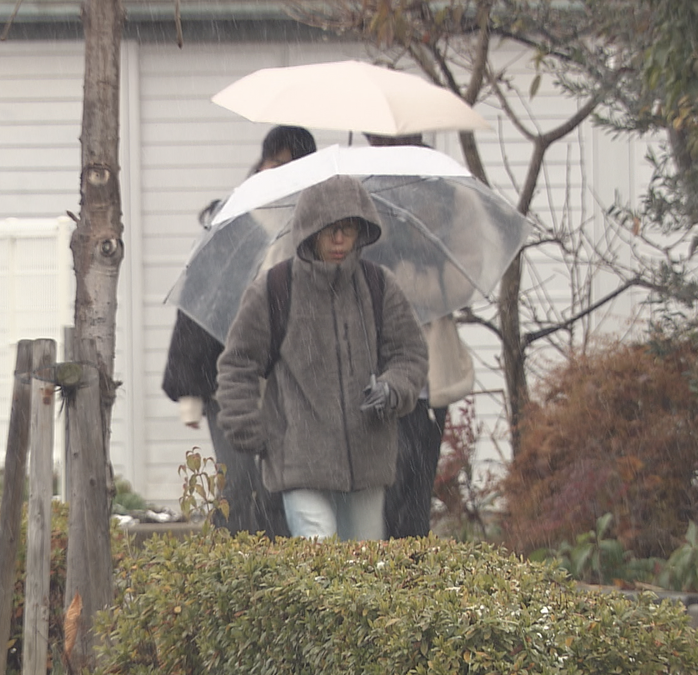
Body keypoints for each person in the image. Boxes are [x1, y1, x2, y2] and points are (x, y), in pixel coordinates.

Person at [214, 175, 428, 541]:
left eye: (348, 229)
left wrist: (393, 388)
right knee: (318, 557)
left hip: (368, 457)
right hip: (298, 459)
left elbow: (410, 353)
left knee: (363, 569)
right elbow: (238, 363)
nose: (340, 240)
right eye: (330, 230)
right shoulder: (274, 289)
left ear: (362, 231)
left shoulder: (379, 286)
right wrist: (249, 429)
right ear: (310, 232)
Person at [162, 125, 316, 536]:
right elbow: (199, 302)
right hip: (228, 378)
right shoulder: (233, 220)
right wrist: (190, 389)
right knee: (243, 484)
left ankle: (276, 580)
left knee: (285, 487)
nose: (284, 173)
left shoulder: (316, 228)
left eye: (295, 167)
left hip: (290, 382)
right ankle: (227, 571)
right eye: (278, 163)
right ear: (263, 162)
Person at [364, 132, 477, 538]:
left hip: (430, 375)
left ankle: (410, 577)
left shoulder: (449, 195)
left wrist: (415, 272)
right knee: (382, 488)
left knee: (416, 487)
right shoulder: (366, 193)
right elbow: (366, 282)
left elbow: (460, 282)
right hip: (379, 370)